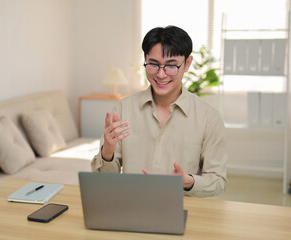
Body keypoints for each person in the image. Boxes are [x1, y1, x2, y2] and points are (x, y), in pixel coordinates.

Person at [91, 25, 227, 197]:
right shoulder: (123, 109)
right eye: (154, 65)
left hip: (182, 210)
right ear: (145, 60)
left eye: (171, 66)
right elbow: (105, 180)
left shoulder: (209, 118)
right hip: (131, 205)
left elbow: (218, 181)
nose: (161, 75)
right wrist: (107, 151)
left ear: (187, 64)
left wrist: (188, 181)